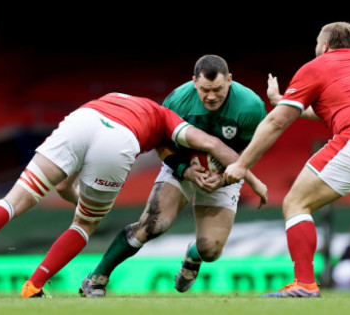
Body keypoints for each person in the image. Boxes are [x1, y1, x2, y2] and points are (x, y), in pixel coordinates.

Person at [0, 92, 247, 299]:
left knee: (14, 200)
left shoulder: (122, 96)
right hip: (118, 139)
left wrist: (81, 197)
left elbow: (64, 186)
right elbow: (214, 145)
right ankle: (32, 286)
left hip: (84, 117)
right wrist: (254, 181)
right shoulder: (168, 118)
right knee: (84, 227)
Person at [224, 22, 350, 298]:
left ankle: (304, 284)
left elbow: (276, 122)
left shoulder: (319, 65)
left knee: (296, 203)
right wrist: (285, 100)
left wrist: (242, 164)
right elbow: (334, 110)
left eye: (316, 44)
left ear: (324, 46)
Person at [79, 55, 268, 298]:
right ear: (194, 83)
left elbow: (252, 150)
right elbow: (161, 143)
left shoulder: (250, 106)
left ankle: (193, 255)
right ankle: (96, 278)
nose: (210, 96)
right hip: (182, 167)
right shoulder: (178, 100)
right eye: (204, 90)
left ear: (230, 80)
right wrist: (185, 170)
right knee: (153, 224)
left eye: (218, 89)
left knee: (210, 250)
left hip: (226, 172)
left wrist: (224, 177)